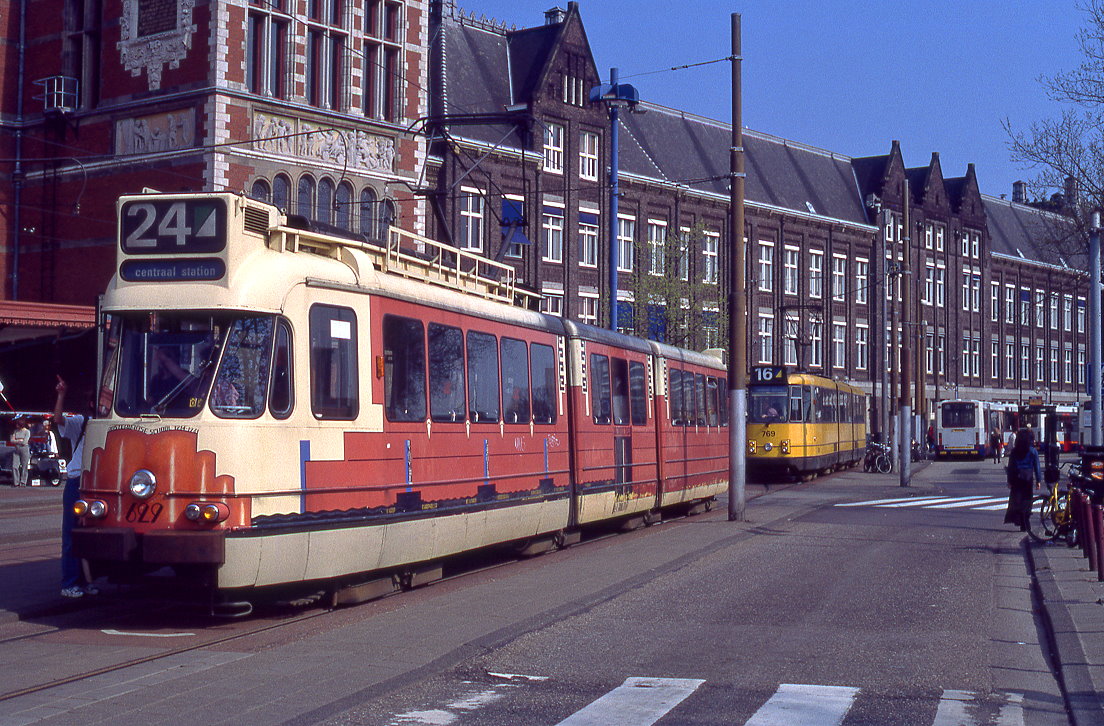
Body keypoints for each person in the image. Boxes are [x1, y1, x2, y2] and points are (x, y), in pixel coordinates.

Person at [53, 376, 98, 599]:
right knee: (72, 534)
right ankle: (69, 583)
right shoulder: (81, 421)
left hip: (94, 482)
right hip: (76, 480)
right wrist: (61, 394)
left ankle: (84, 581)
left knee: (87, 535)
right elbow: (58, 419)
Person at [1004, 427, 1042, 531]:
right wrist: (1038, 480)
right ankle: (1026, 520)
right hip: (1028, 478)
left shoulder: (1015, 451)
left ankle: (1020, 521)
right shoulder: (1032, 451)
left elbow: (1011, 467)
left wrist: (1009, 480)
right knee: (1027, 500)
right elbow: (1037, 467)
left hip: (1017, 477)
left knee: (1017, 500)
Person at [9, 417, 31, 487]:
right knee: (14, 466)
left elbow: (25, 442)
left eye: (17, 424)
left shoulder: (27, 431)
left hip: (24, 449)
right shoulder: (15, 431)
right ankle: (16, 482)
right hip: (16, 449)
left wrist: (16, 440)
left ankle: (23, 482)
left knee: (24, 466)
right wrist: (19, 441)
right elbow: (11, 440)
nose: (16, 425)